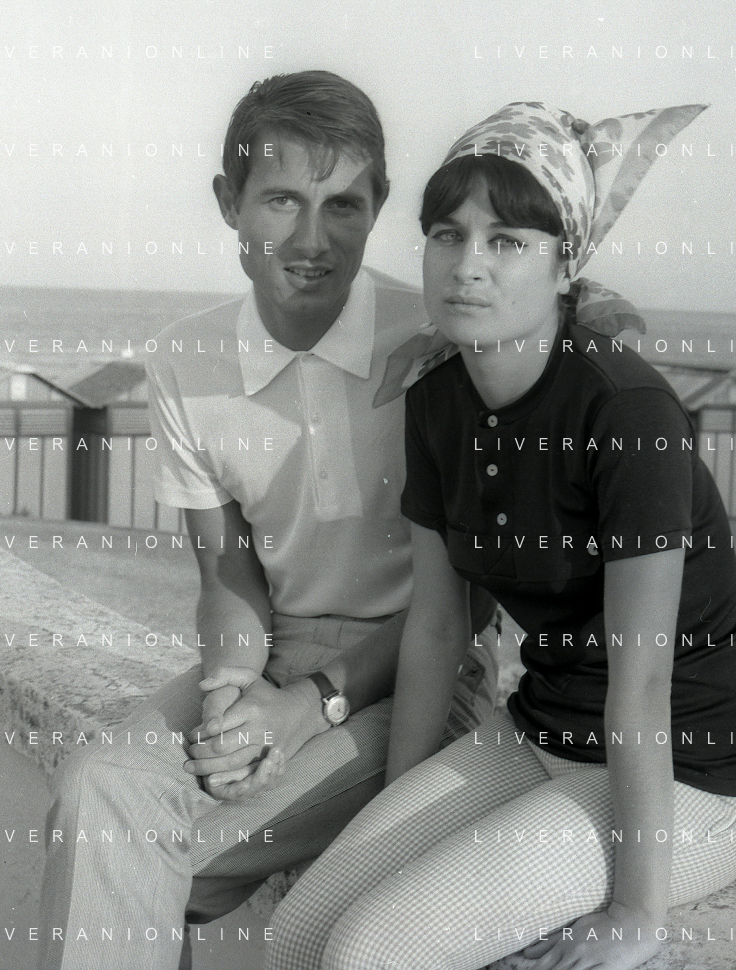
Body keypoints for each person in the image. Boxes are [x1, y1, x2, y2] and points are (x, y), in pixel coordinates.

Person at [268, 101, 736, 970]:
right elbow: (438, 627)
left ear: (564, 261)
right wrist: (397, 827)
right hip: (539, 735)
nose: (467, 264)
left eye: (506, 240)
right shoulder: (437, 401)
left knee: (367, 952)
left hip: (687, 773)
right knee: (297, 935)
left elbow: (643, 677)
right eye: (446, 234)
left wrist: (636, 911)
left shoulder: (626, 412)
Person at [35, 71, 498, 970]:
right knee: (98, 788)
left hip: (423, 669)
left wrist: (309, 706)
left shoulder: (437, 342)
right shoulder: (184, 360)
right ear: (229, 203)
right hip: (275, 648)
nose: (312, 239)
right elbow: (228, 574)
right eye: (282, 200)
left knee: (139, 851)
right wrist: (229, 695)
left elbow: (467, 600)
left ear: (380, 204)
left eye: (343, 205)